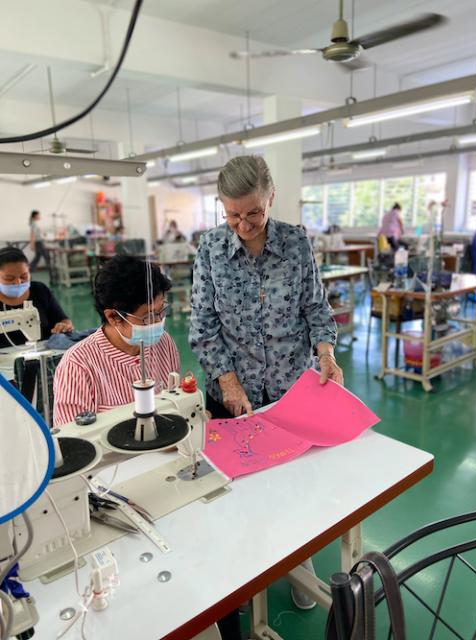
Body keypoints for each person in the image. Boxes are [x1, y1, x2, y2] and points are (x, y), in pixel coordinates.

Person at [189, 155, 342, 636]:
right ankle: (238, 576)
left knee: (298, 488)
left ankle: (300, 564)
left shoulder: (296, 243)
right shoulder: (211, 248)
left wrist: (326, 353)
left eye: (252, 213)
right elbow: (201, 325)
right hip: (231, 395)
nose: (242, 225)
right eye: (231, 214)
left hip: (289, 391)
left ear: (270, 198)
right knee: (237, 491)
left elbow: (316, 306)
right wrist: (228, 382)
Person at [53, 256, 179, 427]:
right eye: (148, 316)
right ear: (113, 317)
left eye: (161, 311)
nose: (158, 322)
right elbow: (74, 443)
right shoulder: (77, 365)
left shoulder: (164, 343)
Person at [0, 247, 73, 349]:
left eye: (24, 276)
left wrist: (64, 326)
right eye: (9, 278)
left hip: (44, 351)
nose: (18, 282)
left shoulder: (40, 290)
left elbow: (63, 320)